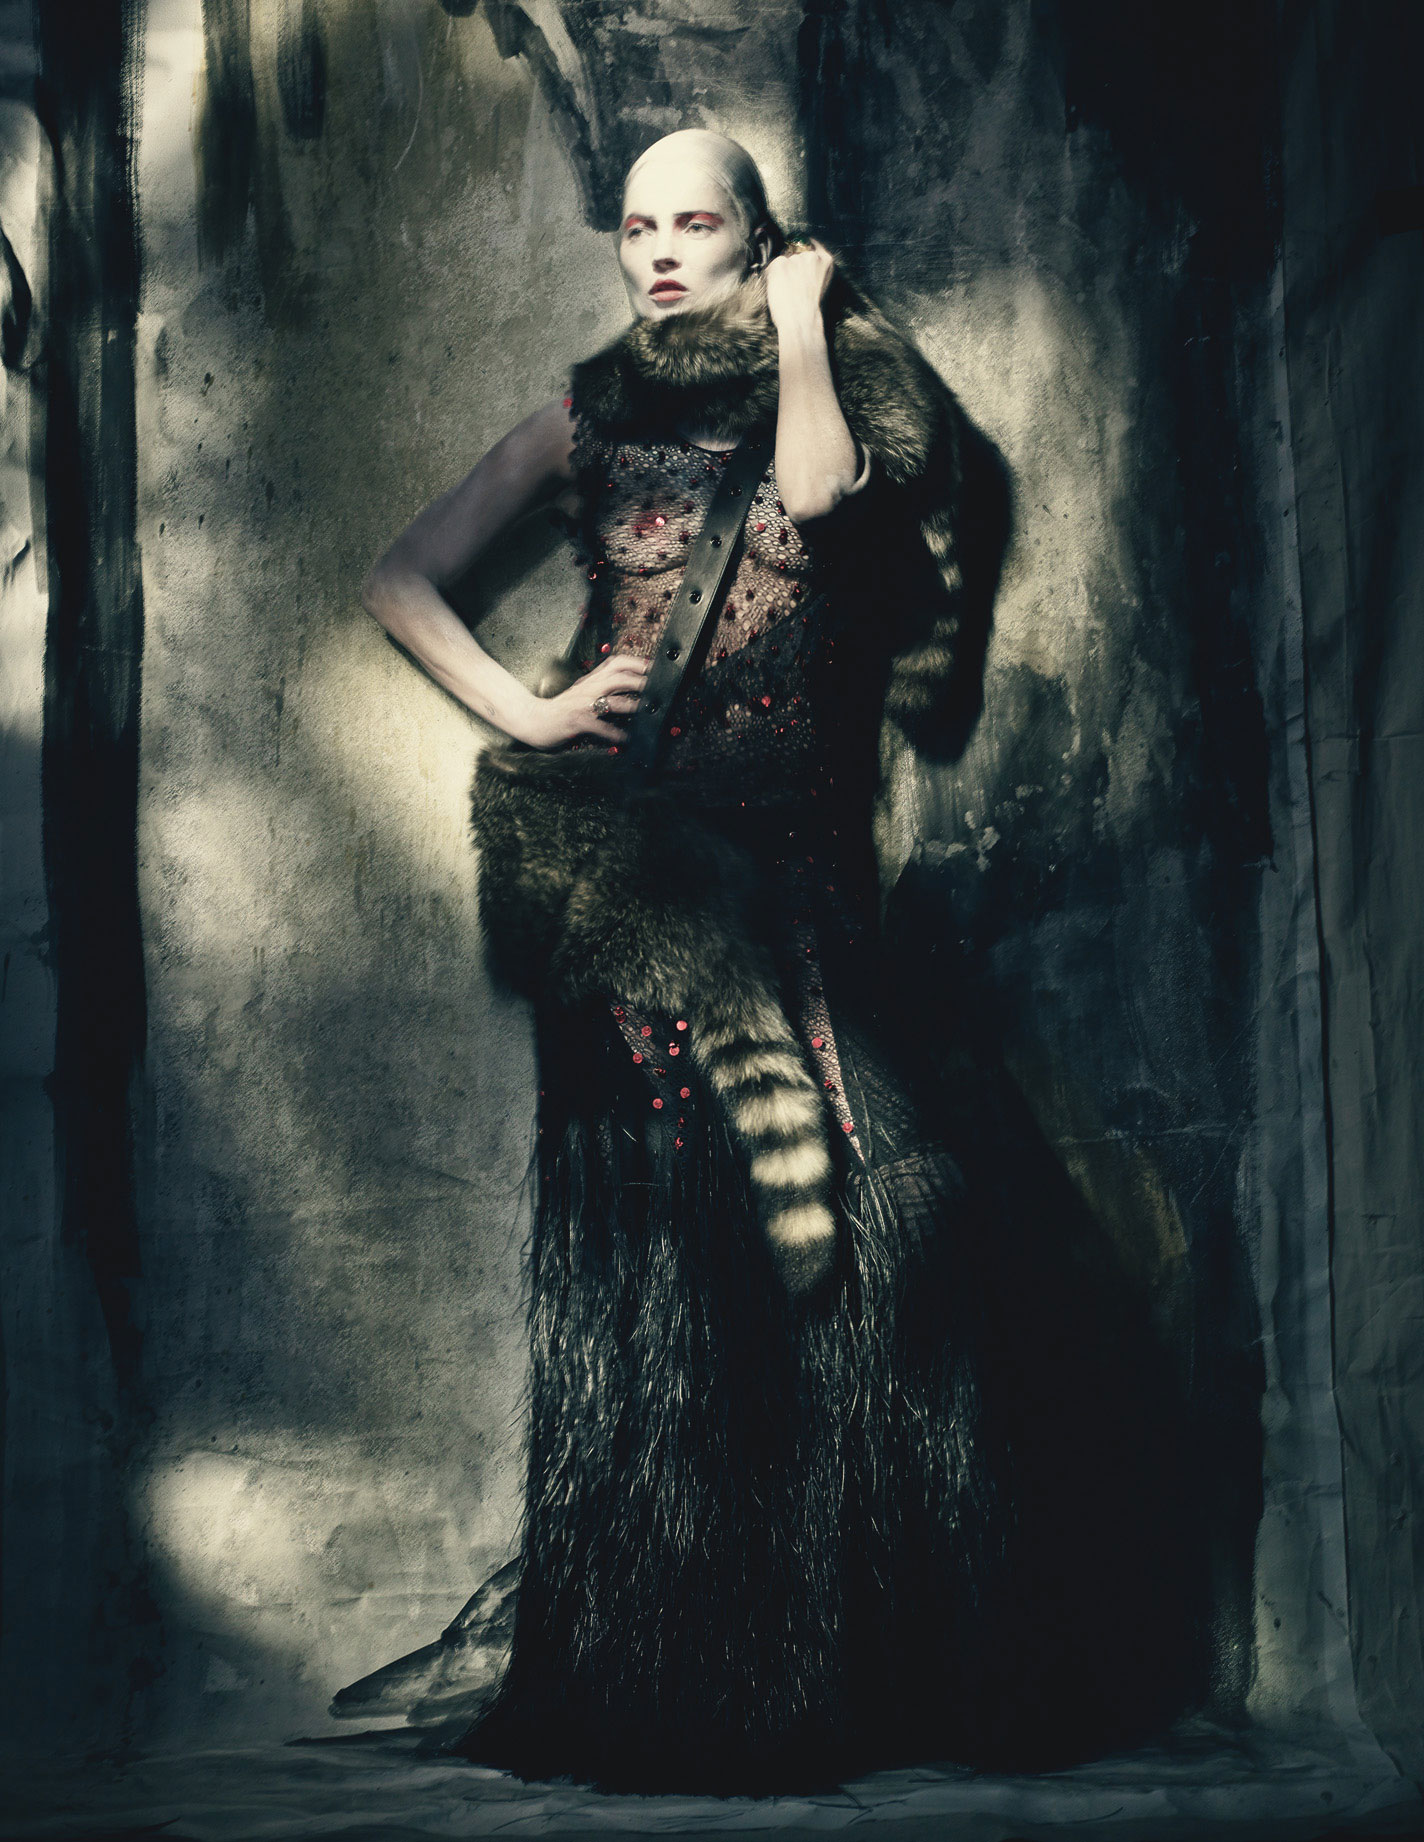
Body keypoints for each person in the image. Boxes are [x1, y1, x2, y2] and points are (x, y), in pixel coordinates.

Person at [354, 129, 1195, 1794]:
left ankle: (859, 1664)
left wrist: (803, 325)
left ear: (758, 234)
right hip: (629, 868)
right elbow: (402, 578)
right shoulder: (587, 414)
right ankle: (682, 1674)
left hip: (798, 871)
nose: (662, 251)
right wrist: (531, 710)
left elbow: (818, 492)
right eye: (639, 226)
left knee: (888, 1233)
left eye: (698, 222)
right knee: (667, 1273)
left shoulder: (841, 378)